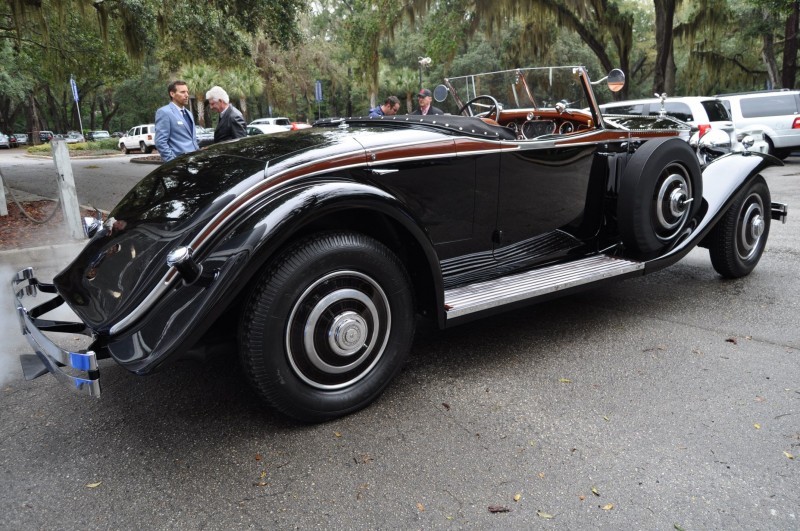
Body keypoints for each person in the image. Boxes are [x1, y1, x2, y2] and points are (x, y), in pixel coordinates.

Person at [155, 80, 199, 162]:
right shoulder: (164, 112)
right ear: (172, 94)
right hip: (178, 163)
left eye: (187, 92)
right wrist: (172, 162)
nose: (186, 95)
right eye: (182, 92)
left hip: (194, 161)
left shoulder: (189, 113)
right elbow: (160, 142)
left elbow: (192, 139)